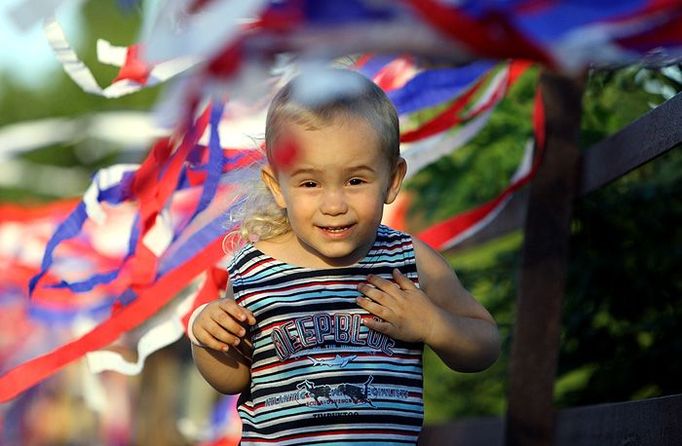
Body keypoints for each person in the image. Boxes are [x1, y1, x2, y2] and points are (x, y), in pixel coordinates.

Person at [189, 67, 500, 444]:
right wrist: (206, 338)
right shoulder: (254, 269)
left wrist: (434, 324)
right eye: (310, 183)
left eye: (355, 181)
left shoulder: (407, 260)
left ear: (392, 179)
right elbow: (234, 378)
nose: (334, 204)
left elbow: (485, 344)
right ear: (278, 187)